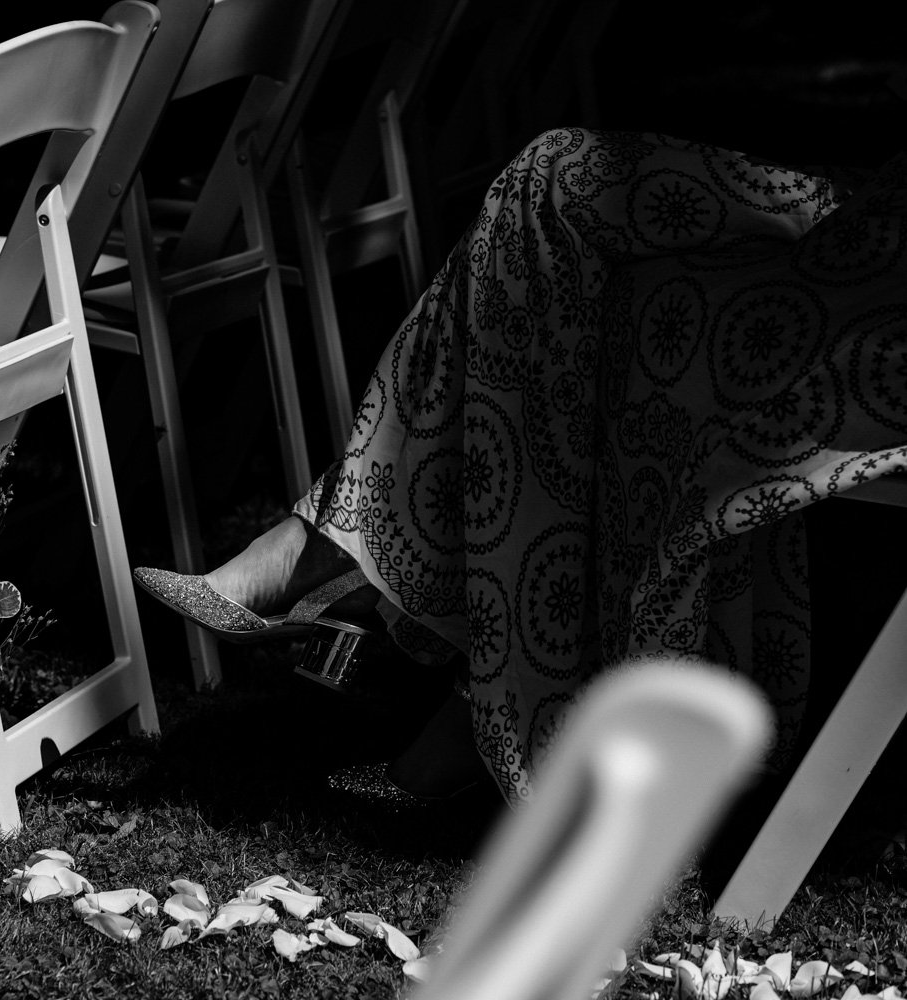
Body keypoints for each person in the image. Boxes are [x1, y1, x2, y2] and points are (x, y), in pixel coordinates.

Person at [136, 127, 907, 809]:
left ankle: (374, 586)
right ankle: (409, 613)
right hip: (873, 224)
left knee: (629, 296)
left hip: (878, 300)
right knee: (559, 192)